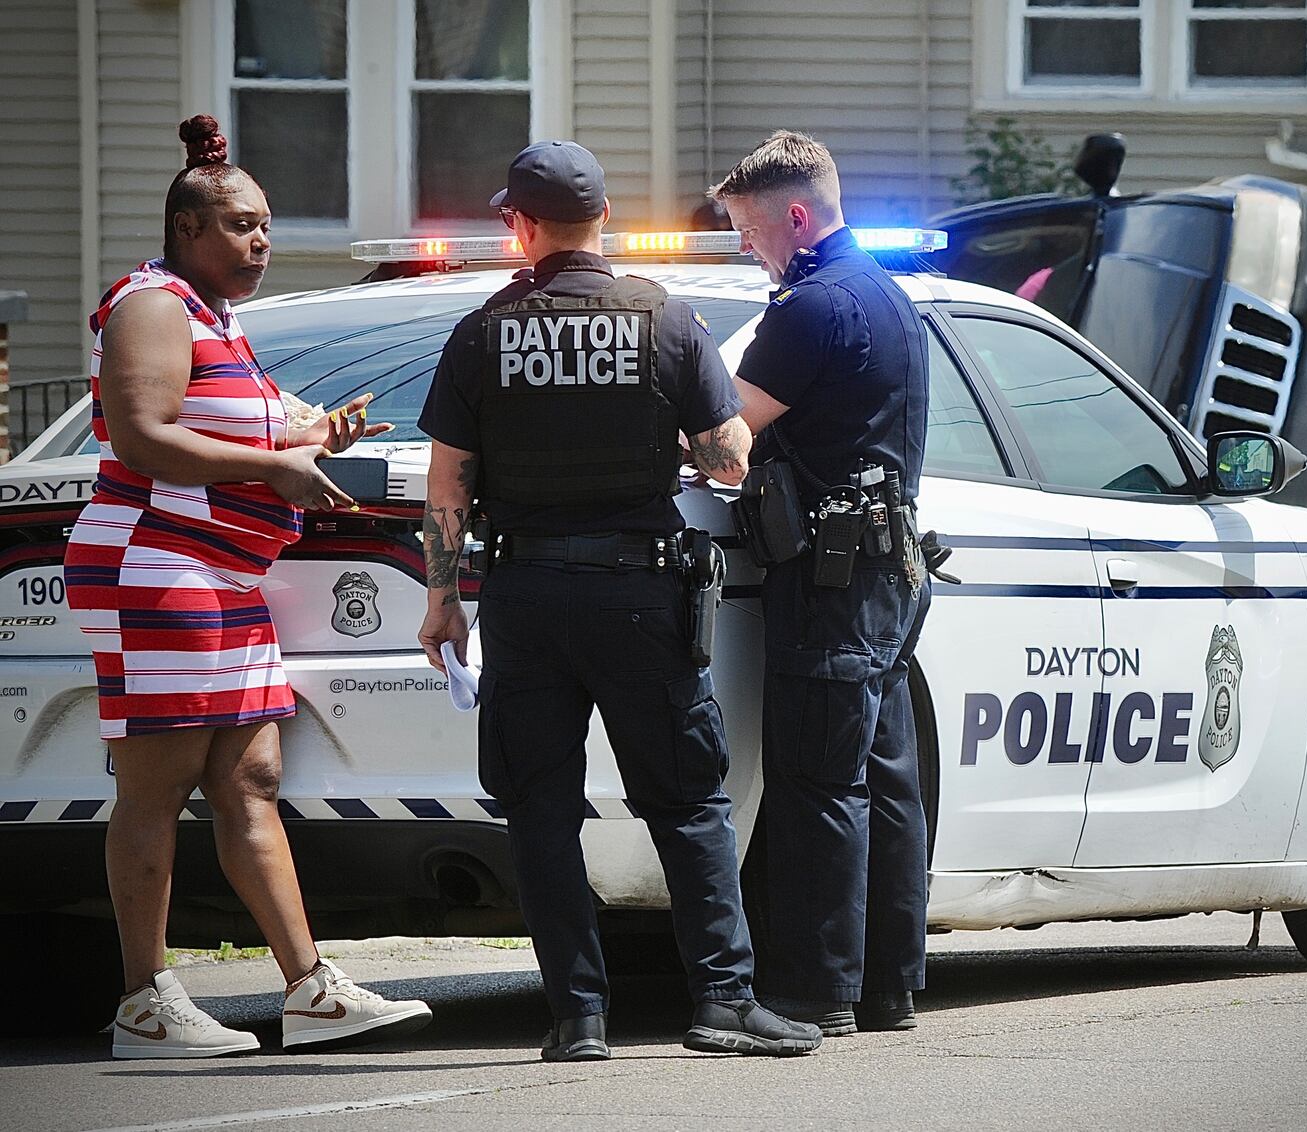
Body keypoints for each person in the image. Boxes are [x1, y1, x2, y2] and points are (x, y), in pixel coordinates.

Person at [415, 139, 822, 1062]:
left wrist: (446, 599)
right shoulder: (666, 320)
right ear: (605, 222)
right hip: (642, 594)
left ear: (519, 226)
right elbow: (726, 458)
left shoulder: (483, 331)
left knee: (542, 808)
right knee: (686, 802)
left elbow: (448, 485)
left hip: (524, 597)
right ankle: (722, 1003)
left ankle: (577, 1017)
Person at [63, 116, 432, 1059]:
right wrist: (272, 470)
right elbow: (142, 436)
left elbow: (237, 441)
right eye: (240, 226)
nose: (260, 241)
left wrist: (312, 441)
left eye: (266, 225)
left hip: (224, 573)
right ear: (189, 229)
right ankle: (144, 1002)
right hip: (156, 562)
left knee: (251, 775)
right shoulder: (152, 304)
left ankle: (310, 990)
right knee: (157, 786)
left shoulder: (221, 321)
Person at [709, 131, 932, 1036]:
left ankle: (813, 992)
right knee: (885, 778)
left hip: (834, 576)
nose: (746, 248)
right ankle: (887, 987)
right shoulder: (885, 295)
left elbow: (726, 441)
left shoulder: (807, 310)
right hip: (887, 569)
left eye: (749, 232)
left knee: (817, 782)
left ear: (796, 219)